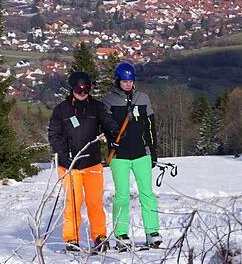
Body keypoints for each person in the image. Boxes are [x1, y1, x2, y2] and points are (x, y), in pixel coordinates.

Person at [48, 71, 118, 253]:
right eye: (79, 89)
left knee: (95, 202)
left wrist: (116, 131)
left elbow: (108, 123)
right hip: (69, 165)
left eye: (86, 88)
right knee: (73, 203)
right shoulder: (61, 110)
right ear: (72, 89)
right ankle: (72, 239)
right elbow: (54, 135)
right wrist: (62, 156)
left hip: (92, 163)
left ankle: (100, 237)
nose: (82, 92)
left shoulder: (97, 107)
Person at [102, 61, 162, 251]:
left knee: (148, 194)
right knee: (122, 195)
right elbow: (105, 126)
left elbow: (150, 126)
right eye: (124, 81)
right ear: (118, 81)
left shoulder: (143, 98)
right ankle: (121, 234)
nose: (128, 84)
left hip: (141, 154)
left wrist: (153, 151)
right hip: (119, 156)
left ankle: (152, 232)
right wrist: (113, 139)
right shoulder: (109, 101)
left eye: (130, 81)